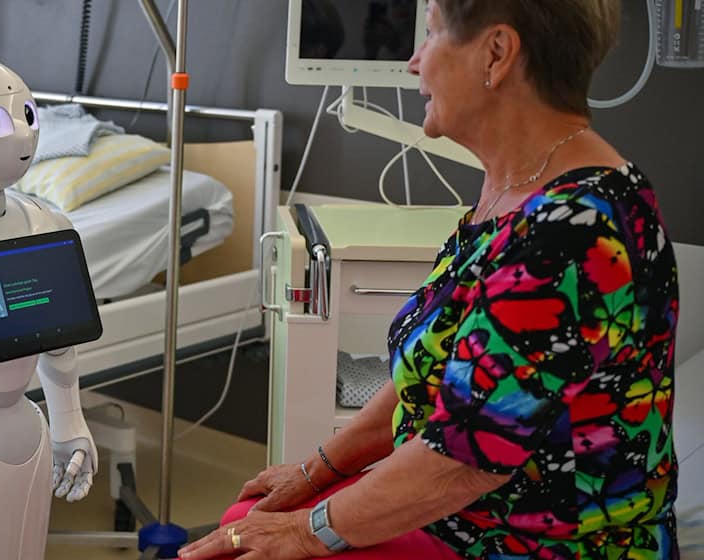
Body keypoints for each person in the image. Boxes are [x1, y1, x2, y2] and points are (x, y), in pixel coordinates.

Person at [180, 1, 680, 558]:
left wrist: (305, 531)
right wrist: (316, 469)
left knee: (246, 544)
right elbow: (439, 370)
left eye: (432, 34)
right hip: (467, 515)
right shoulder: (510, 189)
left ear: (497, 53)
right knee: (244, 519)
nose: (414, 61)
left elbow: (463, 460)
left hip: (542, 542)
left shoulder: (572, 229)